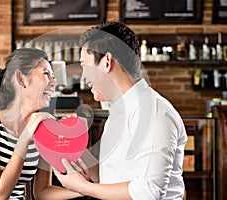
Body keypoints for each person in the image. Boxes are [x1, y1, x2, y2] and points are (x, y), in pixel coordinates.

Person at [53, 21, 188, 199]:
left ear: (107, 62)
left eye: (85, 66)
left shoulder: (153, 112)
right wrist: (73, 145)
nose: (84, 77)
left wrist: (83, 187)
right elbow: (110, 177)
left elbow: (148, 192)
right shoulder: (119, 112)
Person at [0, 48, 83, 199]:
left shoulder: (42, 130)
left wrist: (84, 190)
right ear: (21, 79)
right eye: (46, 74)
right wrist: (25, 136)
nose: (55, 82)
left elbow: (42, 192)